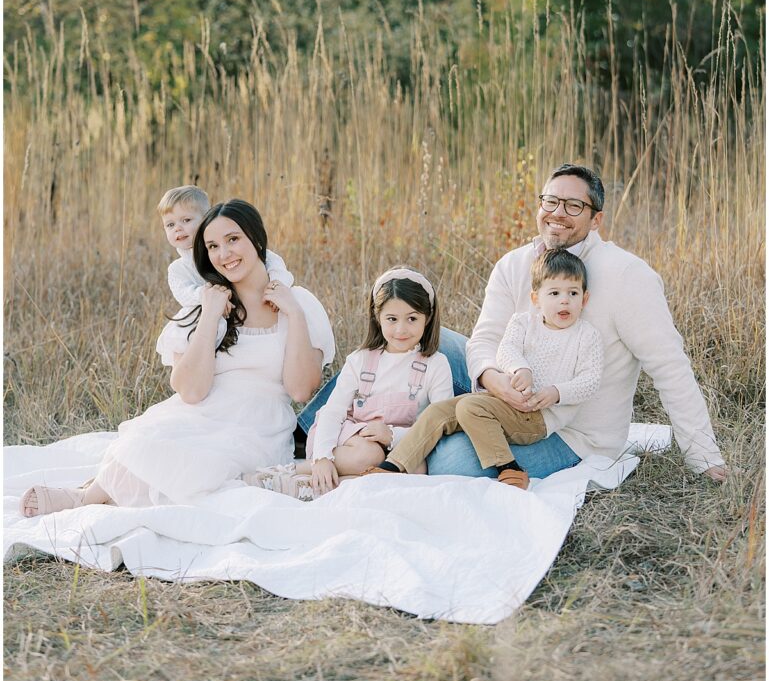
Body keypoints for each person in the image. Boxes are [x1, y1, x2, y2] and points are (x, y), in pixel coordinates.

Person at [20, 200, 334, 516]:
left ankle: (87, 499)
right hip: (199, 412)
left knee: (205, 466)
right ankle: (92, 494)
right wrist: (210, 314)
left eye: (233, 239)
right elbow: (192, 392)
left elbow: (300, 390)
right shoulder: (205, 304)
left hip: (259, 424)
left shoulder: (300, 303)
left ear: (257, 239)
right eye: (213, 246)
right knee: (151, 439)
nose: (224, 254)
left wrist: (292, 312)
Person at [425, 163, 728, 482]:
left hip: (571, 435)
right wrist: (489, 377)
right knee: (431, 339)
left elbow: (670, 367)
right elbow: (485, 339)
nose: (558, 213)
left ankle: (442, 433)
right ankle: (397, 430)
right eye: (550, 201)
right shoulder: (513, 264)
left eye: (574, 206)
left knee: (450, 463)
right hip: (506, 395)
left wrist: (704, 457)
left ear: (596, 219)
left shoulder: (627, 277)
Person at [365, 249, 603, 489]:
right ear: (536, 299)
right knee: (439, 412)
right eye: (554, 293)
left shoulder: (586, 336)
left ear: (584, 299)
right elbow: (506, 349)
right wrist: (520, 368)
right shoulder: (523, 322)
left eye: (572, 293)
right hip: (501, 402)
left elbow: (590, 380)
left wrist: (556, 392)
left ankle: (509, 468)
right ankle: (394, 465)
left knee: (470, 407)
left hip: (538, 417)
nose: (564, 300)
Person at [247, 267, 454, 499]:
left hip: (399, 443)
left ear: (428, 318)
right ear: (378, 317)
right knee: (369, 456)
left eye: (412, 318)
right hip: (349, 441)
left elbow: (438, 423)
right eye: (392, 319)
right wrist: (323, 457)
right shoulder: (362, 360)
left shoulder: (435, 364)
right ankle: (295, 471)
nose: (401, 329)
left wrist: (392, 436)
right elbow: (332, 411)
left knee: (417, 470)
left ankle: (313, 487)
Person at [159, 185, 293, 309]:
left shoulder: (222, 252)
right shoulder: (178, 269)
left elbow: (272, 260)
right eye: (170, 225)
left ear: (206, 219)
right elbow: (183, 294)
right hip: (209, 316)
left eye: (186, 220)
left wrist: (277, 284)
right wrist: (210, 295)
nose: (177, 229)